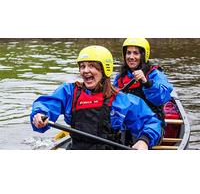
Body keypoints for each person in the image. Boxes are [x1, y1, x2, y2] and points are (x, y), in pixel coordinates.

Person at [30, 45, 162, 150]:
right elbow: (47, 104)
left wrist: (144, 141)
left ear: (105, 70)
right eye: (82, 66)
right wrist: (40, 114)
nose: (85, 70)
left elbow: (152, 122)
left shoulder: (120, 100)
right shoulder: (69, 92)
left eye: (91, 66)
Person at [113, 38, 173, 145]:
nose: (131, 57)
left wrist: (146, 82)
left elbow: (163, 97)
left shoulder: (155, 74)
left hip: (151, 126)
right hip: (127, 126)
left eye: (136, 53)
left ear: (143, 55)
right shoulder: (120, 78)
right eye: (128, 53)